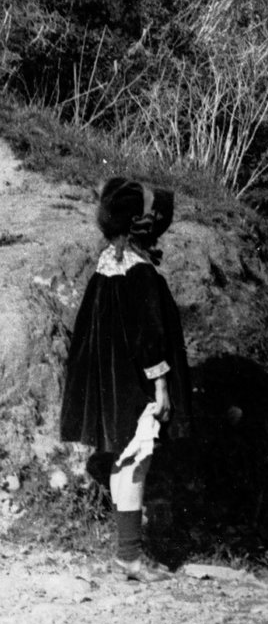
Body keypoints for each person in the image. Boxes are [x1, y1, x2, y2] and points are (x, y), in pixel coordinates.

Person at [58, 177, 188, 581]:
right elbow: (149, 337)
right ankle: (129, 556)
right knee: (136, 460)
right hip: (135, 382)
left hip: (111, 379)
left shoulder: (108, 264)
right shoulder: (141, 272)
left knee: (124, 458)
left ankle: (127, 551)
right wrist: (161, 386)